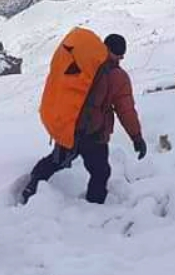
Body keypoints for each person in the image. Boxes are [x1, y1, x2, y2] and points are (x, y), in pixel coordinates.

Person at [21, 34, 145, 205]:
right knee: (100, 172)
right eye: (120, 54)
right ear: (117, 53)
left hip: (70, 126)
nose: (121, 58)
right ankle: (94, 207)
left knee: (56, 161)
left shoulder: (84, 63)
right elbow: (126, 110)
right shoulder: (118, 77)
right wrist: (136, 137)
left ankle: (33, 184)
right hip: (94, 134)